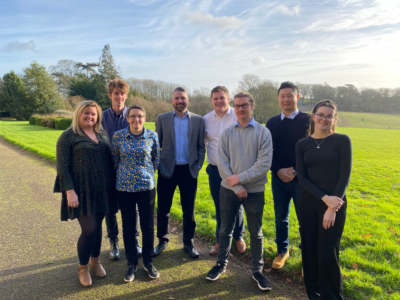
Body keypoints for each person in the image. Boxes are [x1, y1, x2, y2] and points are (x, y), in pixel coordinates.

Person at [206, 91, 273, 291]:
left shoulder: (263, 132)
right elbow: (221, 162)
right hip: (229, 189)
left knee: (256, 233)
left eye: (244, 105)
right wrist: (236, 185)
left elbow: (264, 164)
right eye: (237, 106)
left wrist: (241, 179)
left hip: (254, 191)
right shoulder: (227, 132)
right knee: (225, 229)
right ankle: (221, 265)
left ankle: (257, 271)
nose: (241, 109)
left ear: (252, 106)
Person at [54, 100, 116, 287]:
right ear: (79, 114)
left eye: (93, 114)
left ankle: (95, 261)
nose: (90, 116)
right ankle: (83, 267)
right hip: (81, 190)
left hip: (103, 189)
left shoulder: (102, 134)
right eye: (86, 113)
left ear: (98, 117)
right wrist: (69, 191)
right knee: (89, 229)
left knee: (97, 228)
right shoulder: (68, 136)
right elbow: (62, 167)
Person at [296, 100, 352, 299]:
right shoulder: (302, 144)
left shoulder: (342, 141)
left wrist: (332, 206)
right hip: (308, 203)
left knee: (328, 252)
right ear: (313, 116)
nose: (324, 119)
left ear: (334, 119)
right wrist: (323, 198)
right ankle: (313, 294)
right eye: (321, 114)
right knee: (309, 250)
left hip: (335, 205)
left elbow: (345, 176)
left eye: (329, 116)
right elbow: (302, 178)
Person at [155, 87, 206, 258]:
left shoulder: (199, 120)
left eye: (183, 98)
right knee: (163, 207)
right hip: (167, 170)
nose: (180, 101)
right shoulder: (162, 119)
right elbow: (156, 145)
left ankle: (188, 242)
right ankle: (163, 240)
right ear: (172, 101)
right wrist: (158, 165)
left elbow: (201, 146)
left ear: (188, 100)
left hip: (189, 171)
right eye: (176, 98)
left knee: (188, 209)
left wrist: (198, 166)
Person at [112, 105, 160, 282]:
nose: (136, 119)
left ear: (144, 118)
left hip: (146, 186)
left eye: (140, 116)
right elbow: (115, 160)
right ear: (127, 118)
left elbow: (156, 159)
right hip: (124, 188)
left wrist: (144, 174)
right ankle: (131, 263)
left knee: (147, 226)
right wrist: (126, 174)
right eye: (133, 116)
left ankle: (148, 262)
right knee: (129, 226)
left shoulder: (152, 136)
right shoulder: (118, 137)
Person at [266, 81, 309, 269]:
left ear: (297, 97)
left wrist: (294, 171)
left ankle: (307, 255)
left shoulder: (309, 120)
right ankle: (282, 251)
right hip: (278, 180)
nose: (286, 99)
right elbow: (267, 151)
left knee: (304, 218)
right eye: (282, 96)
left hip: (303, 180)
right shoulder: (272, 122)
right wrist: (277, 171)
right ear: (278, 99)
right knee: (280, 216)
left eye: (290, 95)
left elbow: (311, 151)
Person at [101, 78, 141, 260]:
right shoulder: (101, 117)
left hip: (129, 170)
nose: (119, 97)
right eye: (116, 93)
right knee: (110, 209)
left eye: (122, 93)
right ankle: (114, 242)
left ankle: (135, 241)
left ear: (126, 95)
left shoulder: (132, 116)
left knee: (133, 209)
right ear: (110, 95)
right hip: (107, 170)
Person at [203, 86, 246, 255]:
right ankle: (220, 241)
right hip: (215, 170)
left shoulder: (239, 115)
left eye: (222, 98)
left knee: (238, 203)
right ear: (212, 100)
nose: (219, 101)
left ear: (228, 99)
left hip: (236, 169)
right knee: (220, 206)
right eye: (215, 98)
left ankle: (238, 236)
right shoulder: (206, 119)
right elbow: (204, 142)